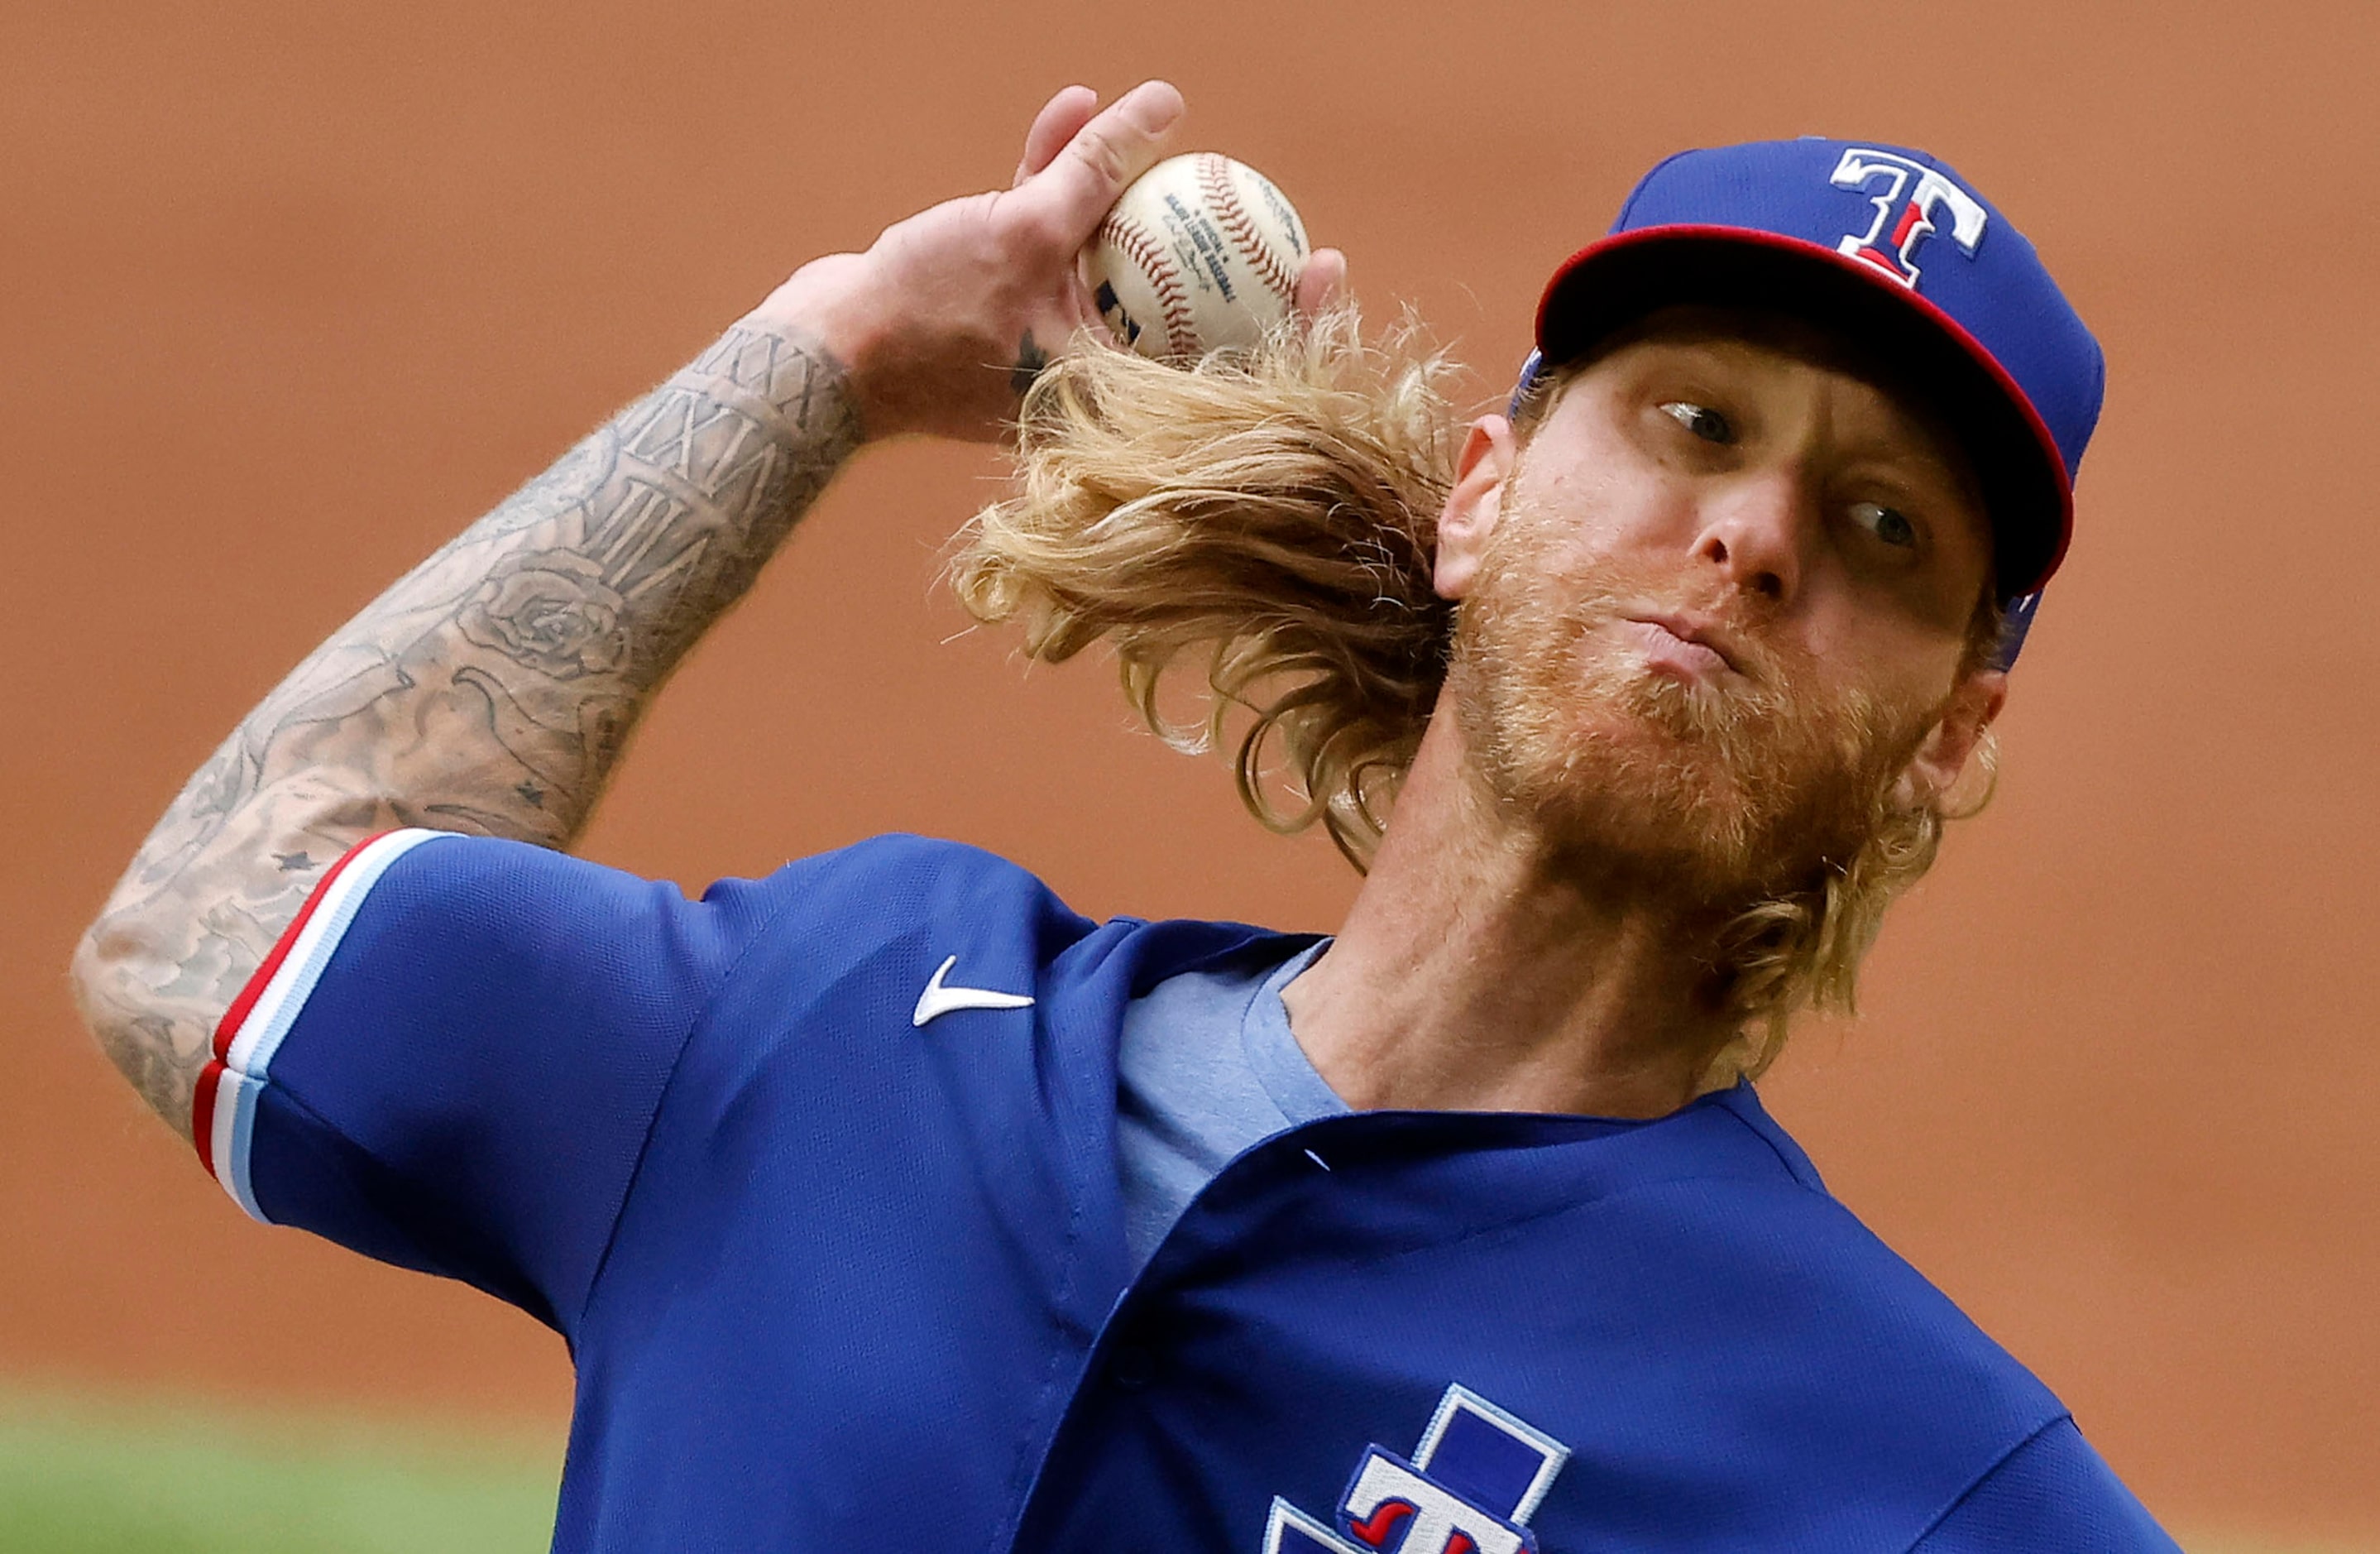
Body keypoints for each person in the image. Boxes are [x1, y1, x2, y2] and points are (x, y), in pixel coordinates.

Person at [72, 80, 2178, 1552]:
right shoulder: (844, 1024)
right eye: (1692, 424)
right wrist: (831, 355)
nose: (1747, 535)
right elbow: (204, 930)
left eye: (1879, 528)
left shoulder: (1908, 1483)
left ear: (1947, 732)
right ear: (1481, 491)